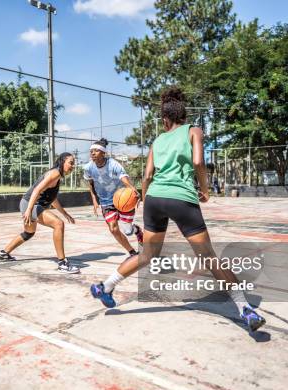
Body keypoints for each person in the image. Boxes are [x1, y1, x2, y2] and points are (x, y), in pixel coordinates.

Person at [90, 87, 266, 332]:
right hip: (181, 198)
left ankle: (105, 286)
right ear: (183, 116)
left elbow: (148, 174)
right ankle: (245, 308)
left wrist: (142, 197)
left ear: (165, 119)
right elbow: (197, 162)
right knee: (209, 257)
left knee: (147, 255)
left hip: (154, 199)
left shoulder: (158, 140)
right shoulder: (194, 131)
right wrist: (204, 189)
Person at [0, 152, 80, 274]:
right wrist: (29, 210)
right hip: (30, 204)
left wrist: (65, 213)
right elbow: (37, 190)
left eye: (74, 164)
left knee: (28, 233)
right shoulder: (55, 173)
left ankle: (4, 253)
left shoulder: (57, 176)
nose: (73, 166)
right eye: (71, 163)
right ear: (63, 161)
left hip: (29, 204)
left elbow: (53, 200)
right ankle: (62, 263)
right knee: (58, 224)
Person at [83, 138, 143, 256]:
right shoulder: (88, 168)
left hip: (123, 198)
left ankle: (137, 231)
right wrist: (94, 200)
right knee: (113, 229)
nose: (93, 153)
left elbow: (124, 178)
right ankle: (132, 252)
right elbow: (90, 183)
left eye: (96, 151)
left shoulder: (113, 164)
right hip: (106, 201)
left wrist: (133, 189)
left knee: (128, 231)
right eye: (91, 151)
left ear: (103, 153)